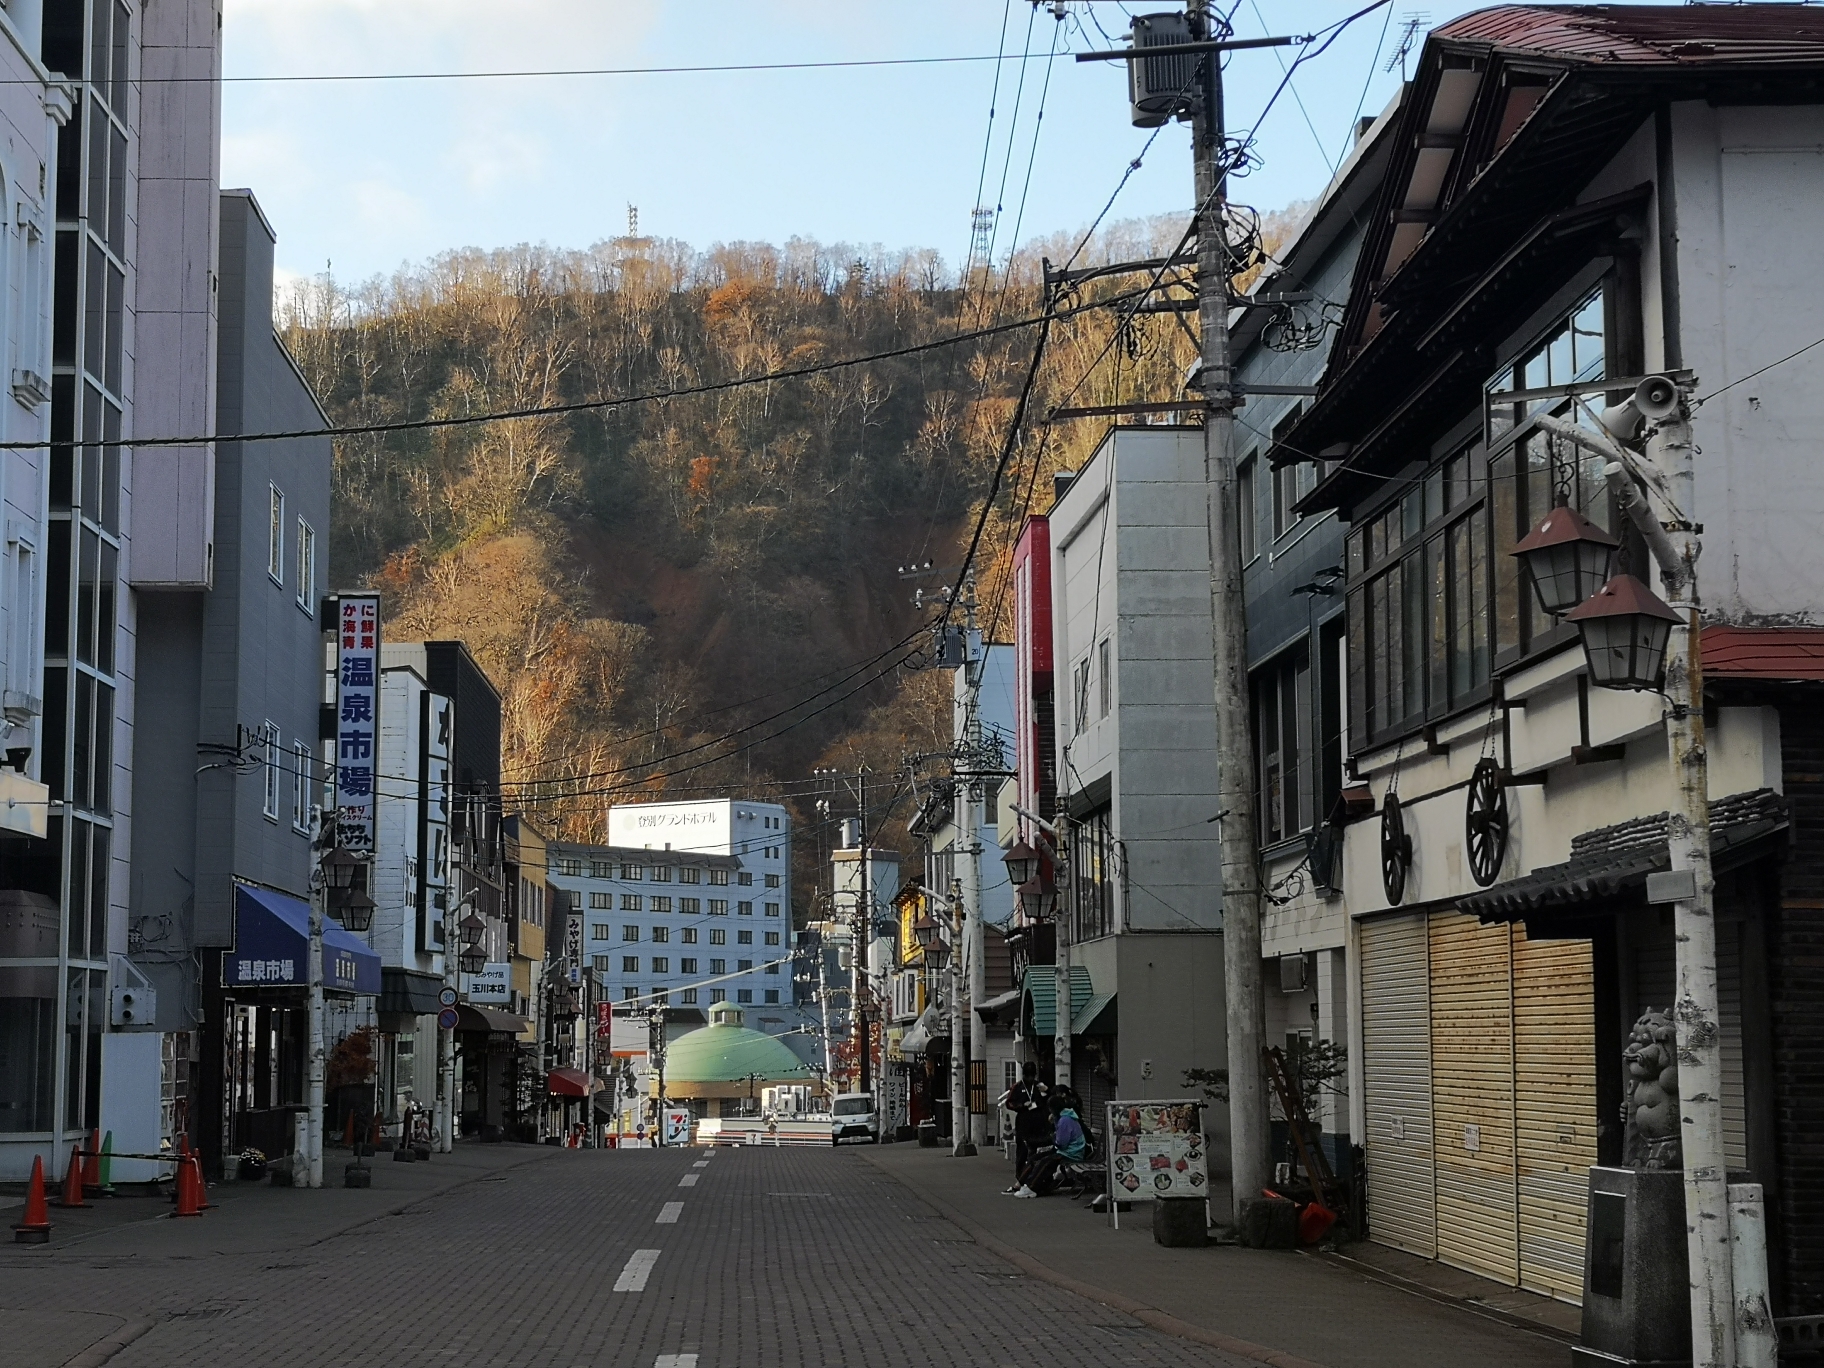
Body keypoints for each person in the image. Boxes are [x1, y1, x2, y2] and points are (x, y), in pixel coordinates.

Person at [1013, 1099, 1090, 1198]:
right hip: (1065, 1151)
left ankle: (1032, 1187)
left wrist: (1054, 1139)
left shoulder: (1065, 1120)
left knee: (1045, 1162)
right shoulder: (1063, 1118)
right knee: (1035, 1158)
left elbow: (1062, 1142)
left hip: (1071, 1153)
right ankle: (1021, 1183)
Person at [1003, 1062, 1050, 1194]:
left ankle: (1034, 1179)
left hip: (1039, 1123)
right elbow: (1009, 1103)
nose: (1030, 1078)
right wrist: (1021, 1105)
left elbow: (1048, 1100)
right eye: (1027, 1076)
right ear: (1023, 1075)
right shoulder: (1017, 1087)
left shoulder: (1039, 1086)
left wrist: (1046, 1092)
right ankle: (1020, 1179)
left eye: (1031, 1076)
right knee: (1022, 1151)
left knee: (1037, 1152)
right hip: (1023, 1123)